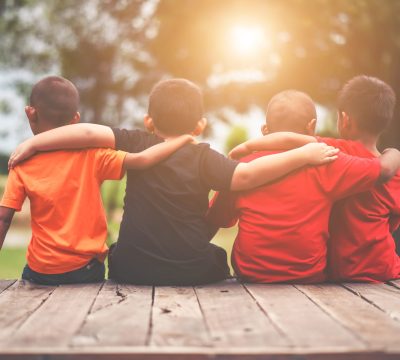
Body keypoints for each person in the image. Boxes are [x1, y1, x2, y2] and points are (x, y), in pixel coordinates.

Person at [8, 78, 339, 286]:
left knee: (118, 252)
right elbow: (248, 175)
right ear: (200, 125)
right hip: (190, 268)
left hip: (131, 269)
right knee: (216, 259)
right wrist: (304, 155)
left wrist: (34, 142)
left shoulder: (137, 141)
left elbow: (88, 132)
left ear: (149, 120)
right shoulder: (203, 156)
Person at [0, 76, 195, 285]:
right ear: (75, 119)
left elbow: (3, 219)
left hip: (41, 271)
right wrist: (183, 138)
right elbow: (142, 159)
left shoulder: (21, 162)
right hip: (86, 269)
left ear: (30, 112)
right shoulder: (93, 155)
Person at [207, 89, 400, 283]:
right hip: (306, 276)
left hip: (251, 274)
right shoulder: (327, 163)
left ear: (265, 130)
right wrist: (394, 152)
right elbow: (378, 170)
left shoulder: (243, 169)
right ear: (312, 127)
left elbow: (218, 218)